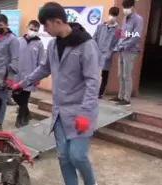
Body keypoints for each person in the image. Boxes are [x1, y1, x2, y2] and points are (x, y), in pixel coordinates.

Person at [12, 2, 99, 185]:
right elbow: (43, 68)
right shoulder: (52, 45)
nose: (44, 29)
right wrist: (21, 84)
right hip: (59, 112)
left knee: (78, 156)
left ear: (58, 21)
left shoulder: (86, 45)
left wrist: (85, 113)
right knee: (63, 157)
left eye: (46, 25)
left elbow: (92, 81)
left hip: (80, 111)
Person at [110, 0, 143, 106]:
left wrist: (124, 45)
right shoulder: (125, 18)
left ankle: (127, 98)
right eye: (124, 7)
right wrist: (118, 45)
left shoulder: (138, 19)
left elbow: (136, 37)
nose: (125, 10)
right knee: (120, 75)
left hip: (130, 50)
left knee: (126, 75)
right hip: (122, 49)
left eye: (127, 7)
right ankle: (120, 96)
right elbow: (122, 34)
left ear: (132, 7)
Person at [12, 20, 44, 128]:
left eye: (35, 30)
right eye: (31, 29)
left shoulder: (39, 44)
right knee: (15, 96)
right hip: (17, 75)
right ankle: (27, 114)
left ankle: (20, 120)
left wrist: (38, 77)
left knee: (25, 98)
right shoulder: (18, 41)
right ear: (27, 27)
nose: (33, 31)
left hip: (30, 77)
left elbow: (41, 62)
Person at [93, 7, 120, 98]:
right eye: (112, 15)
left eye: (115, 16)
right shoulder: (100, 26)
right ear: (108, 15)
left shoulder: (118, 30)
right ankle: (92, 91)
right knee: (94, 73)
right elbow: (94, 38)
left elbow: (118, 44)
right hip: (97, 53)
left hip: (108, 55)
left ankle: (100, 93)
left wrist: (111, 53)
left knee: (104, 75)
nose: (112, 17)